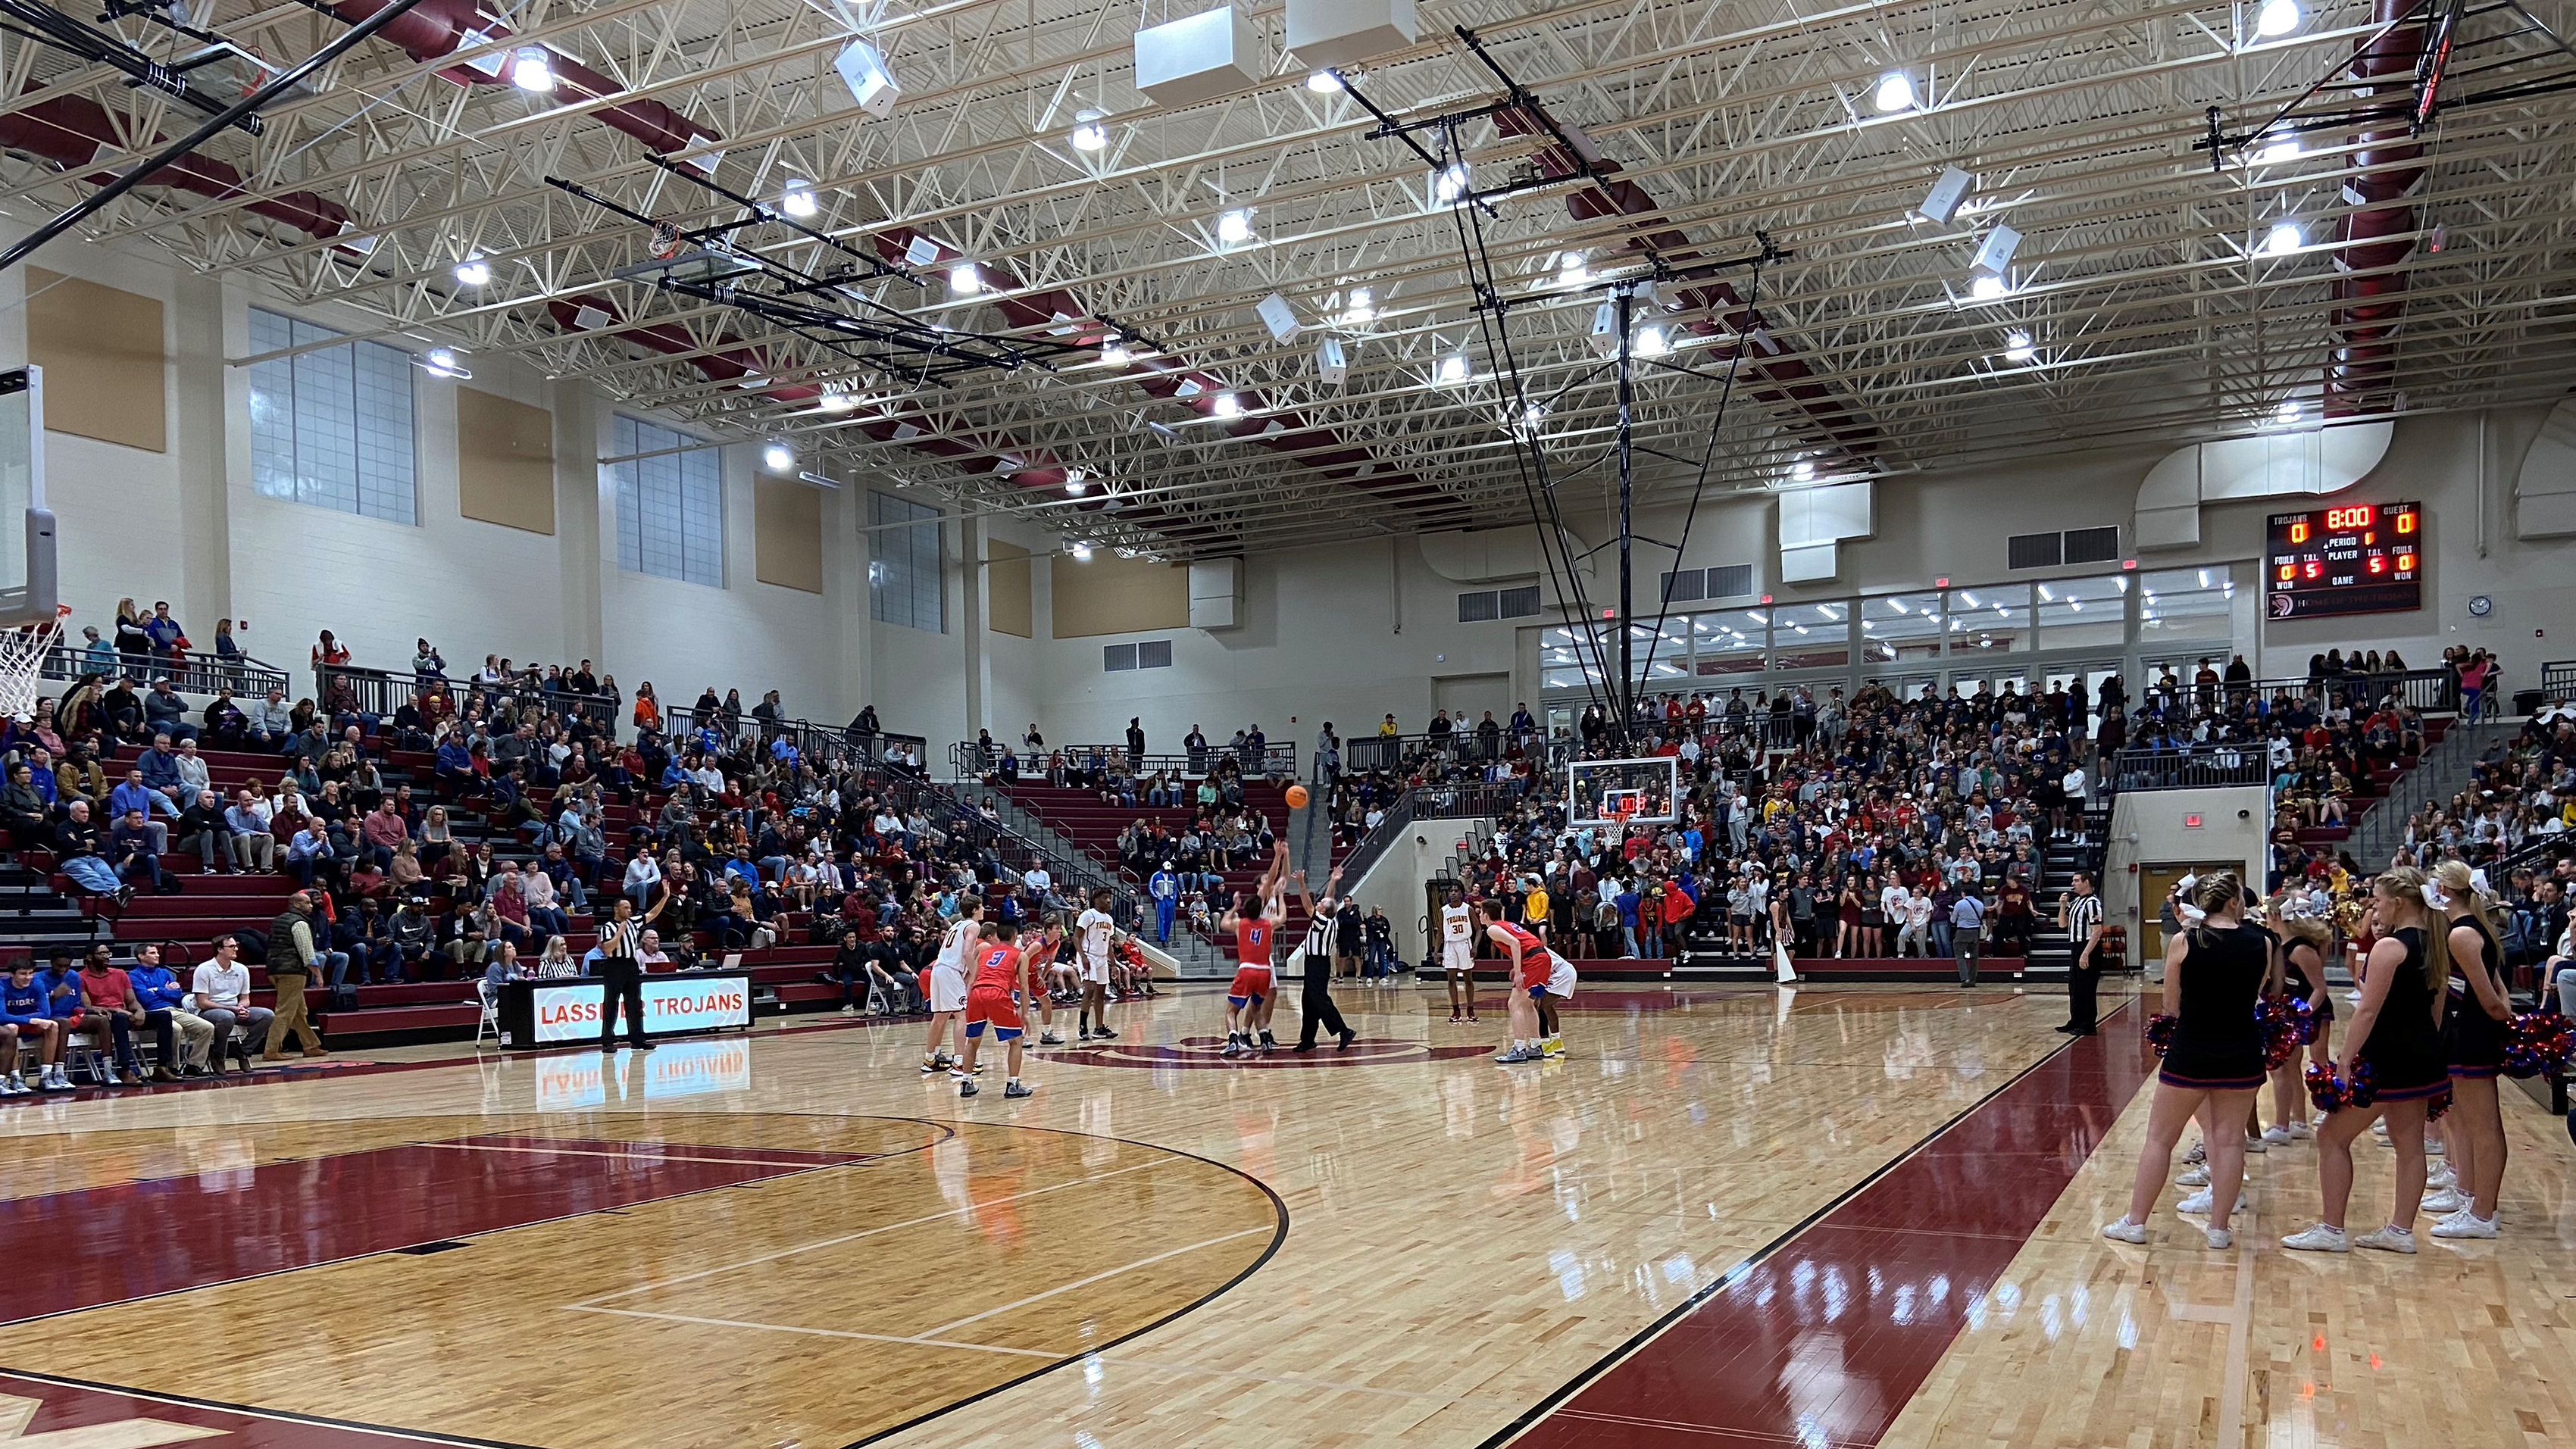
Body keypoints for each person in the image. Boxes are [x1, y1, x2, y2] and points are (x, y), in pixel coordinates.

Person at [2282, 868, 2453, 1254]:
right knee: (2409, 1144)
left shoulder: (2390, 947)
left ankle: (2332, 1229)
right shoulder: (2435, 942)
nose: (2373, 906)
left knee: (2331, 1136)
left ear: (2398, 902)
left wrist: (2345, 1061)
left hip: (2387, 1056)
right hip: (2422, 1053)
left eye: (2377, 899)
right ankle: (2400, 1232)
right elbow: (2437, 1008)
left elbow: (2367, 1011)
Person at [2425, 859, 2512, 1238]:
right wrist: (2501, 1009)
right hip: (2466, 1032)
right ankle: (2471, 1198)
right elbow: (2496, 989)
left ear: (2444, 891)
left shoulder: (2461, 934)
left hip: (2471, 1034)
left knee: (2484, 1126)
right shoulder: (2472, 929)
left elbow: (2489, 998)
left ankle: (2482, 1213)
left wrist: (2502, 1014)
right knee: (2469, 1122)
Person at [1218, 843, 1290, 1056]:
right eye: (1267, 880)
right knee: (1262, 998)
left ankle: (1253, 1033)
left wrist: (1286, 855)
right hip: (1261, 957)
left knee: (1267, 996)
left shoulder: (1271, 896)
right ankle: (1251, 1033)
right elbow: (1273, 875)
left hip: (1256, 957)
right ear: (1259, 885)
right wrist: (1277, 856)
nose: (1271, 881)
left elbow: (1284, 876)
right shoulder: (1263, 896)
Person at [956, 920, 1036, 1099]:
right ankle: (1013, 1084)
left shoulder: (985, 952)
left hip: (976, 993)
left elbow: (972, 979)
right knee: (1016, 1041)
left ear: (998, 936)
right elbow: (1024, 987)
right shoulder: (1020, 955)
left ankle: (966, 1083)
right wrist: (1025, 1013)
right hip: (996, 994)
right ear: (1015, 936)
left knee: (973, 1041)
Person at [1291, 868, 1358, 1051]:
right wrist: (1333, 881)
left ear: (1322, 910)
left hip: (1317, 964)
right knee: (1308, 1002)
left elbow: (1307, 906)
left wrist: (1301, 883)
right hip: (1317, 964)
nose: (1318, 903)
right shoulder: (1331, 920)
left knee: (1320, 1000)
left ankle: (1344, 1031)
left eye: (1319, 903)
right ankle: (1308, 1039)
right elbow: (1329, 901)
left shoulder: (1321, 921)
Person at [595, 889, 667, 1054]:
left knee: (634, 1004)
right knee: (611, 1004)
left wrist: (665, 897)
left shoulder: (634, 922)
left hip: (631, 965)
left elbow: (652, 914)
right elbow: (607, 950)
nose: (630, 910)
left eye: (630, 908)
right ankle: (607, 1041)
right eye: (626, 908)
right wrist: (619, 933)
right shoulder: (607, 927)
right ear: (616, 909)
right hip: (614, 966)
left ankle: (637, 1039)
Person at [127, 942, 212, 1079]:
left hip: (174, 1010)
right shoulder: (134, 976)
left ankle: (194, 1065)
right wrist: (166, 990)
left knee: (206, 1027)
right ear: (141, 956)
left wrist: (156, 990)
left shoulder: (164, 972)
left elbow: (177, 995)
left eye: (157, 952)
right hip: (154, 1013)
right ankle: (171, 1067)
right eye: (152, 953)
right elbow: (145, 998)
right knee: (175, 1029)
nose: (157, 955)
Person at [263, 892, 330, 1060]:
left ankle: (311, 1045)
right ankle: (271, 1049)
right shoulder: (299, 923)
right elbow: (306, 951)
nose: (311, 906)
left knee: (299, 1010)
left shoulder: (279, 920)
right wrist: (318, 973)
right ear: (297, 905)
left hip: (275, 969)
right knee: (285, 1010)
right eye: (307, 903)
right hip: (292, 971)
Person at [1482, 910, 1555, 1064]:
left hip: (1533, 960)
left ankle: (1519, 1049)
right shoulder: (1507, 924)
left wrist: (1518, 971)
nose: (1479, 916)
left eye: (1481, 912)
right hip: (1542, 957)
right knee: (1528, 1004)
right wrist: (1517, 967)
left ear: (1487, 914)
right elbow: (1522, 943)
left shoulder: (1493, 928)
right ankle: (1535, 1046)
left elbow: (1515, 943)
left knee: (1514, 1004)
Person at [191, 934, 269, 1076]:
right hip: (210, 1011)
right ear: (220, 949)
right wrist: (231, 1008)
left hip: (233, 1010)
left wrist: (241, 1007)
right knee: (226, 1017)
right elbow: (202, 1003)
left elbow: (245, 998)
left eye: (236, 946)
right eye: (232, 946)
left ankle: (243, 1052)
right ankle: (218, 1056)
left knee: (266, 1015)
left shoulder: (242, 969)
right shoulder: (204, 969)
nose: (236, 949)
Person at [923, 899, 981, 1078]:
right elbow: (966, 953)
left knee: (940, 1016)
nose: (984, 909)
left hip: (938, 968)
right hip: (950, 971)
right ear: (974, 910)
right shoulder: (973, 926)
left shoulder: (957, 924)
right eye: (981, 907)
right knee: (962, 1014)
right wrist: (977, 973)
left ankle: (930, 1059)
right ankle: (959, 1061)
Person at [1, 954, 68, 1092]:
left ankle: (45, 1076)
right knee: (12, 1027)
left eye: (31, 973)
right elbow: (2, 1016)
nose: (28, 977)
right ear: (12, 974)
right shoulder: (2, 986)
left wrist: (25, 1019)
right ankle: (15, 1078)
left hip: (26, 1023)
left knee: (52, 1025)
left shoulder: (37, 983)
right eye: (23, 974)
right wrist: (29, 1019)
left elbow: (45, 1013)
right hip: (11, 1025)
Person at [2058, 871, 2106, 1034]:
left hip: (2088, 947)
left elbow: (2097, 931)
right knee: (2075, 987)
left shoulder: (2093, 903)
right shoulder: (2076, 901)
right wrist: (2063, 905)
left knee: (2087, 987)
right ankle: (2075, 1020)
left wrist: (2085, 953)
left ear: (2087, 882)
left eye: (2077, 880)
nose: (2073, 884)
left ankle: (2088, 1025)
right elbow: (2062, 924)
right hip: (2075, 946)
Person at [1074, 888, 1120, 1041]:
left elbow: (1108, 945)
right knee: (1090, 989)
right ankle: (1082, 1026)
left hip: (1101, 958)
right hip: (1088, 956)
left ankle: (1099, 1028)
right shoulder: (1088, 915)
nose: (1108, 901)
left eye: (1110, 898)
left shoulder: (1109, 919)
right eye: (1105, 898)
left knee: (1101, 993)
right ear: (1096, 899)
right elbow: (1076, 937)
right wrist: (1082, 956)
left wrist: (1113, 964)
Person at [1439, 884, 1477, 1023]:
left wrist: (1475, 946)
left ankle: (1470, 1010)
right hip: (1449, 945)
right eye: (1451, 891)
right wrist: (1436, 951)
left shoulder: (1468, 909)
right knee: (1451, 979)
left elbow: (1479, 930)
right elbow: (1440, 933)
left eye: (1456, 891)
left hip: (1464, 943)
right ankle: (1456, 1011)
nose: (1453, 893)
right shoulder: (1444, 910)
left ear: (1461, 893)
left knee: (1468, 978)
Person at [1950, 886, 1986, 988]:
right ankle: (1973, 980)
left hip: (1962, 931)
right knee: (1974, 957)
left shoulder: (1960, 904)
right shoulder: (1980, 904)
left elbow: (1953, 920)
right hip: (1975, 932)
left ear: (1963, 893)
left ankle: (1965, 978)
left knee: (1959, 954)